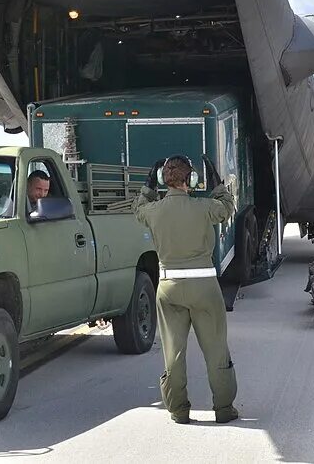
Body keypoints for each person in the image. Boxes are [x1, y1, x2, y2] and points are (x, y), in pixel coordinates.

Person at [132, 154, 238, 425]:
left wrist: (148, 186)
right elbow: (227, 207)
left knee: (173, 353)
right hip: (204, 289)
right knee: (215, 350)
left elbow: (139, 207)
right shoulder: (203, 208)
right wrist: (217, 185)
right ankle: (224, 409)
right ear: (189, 179)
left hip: (169, 289)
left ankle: (179, 411)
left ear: (163, 180)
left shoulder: (153, 211)